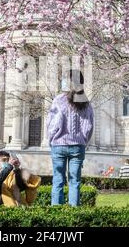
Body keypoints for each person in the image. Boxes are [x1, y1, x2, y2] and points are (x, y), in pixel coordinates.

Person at [46, 69, 94, 207]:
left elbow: (53, 123)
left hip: (59, 145)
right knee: (75, 182)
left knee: (58, 180)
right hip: (78, 146)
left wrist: (52, 139)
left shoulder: (59, 100)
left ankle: (56, 211)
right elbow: (89, 126)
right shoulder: (86, 103)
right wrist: (83, 141)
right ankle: (74, 212)